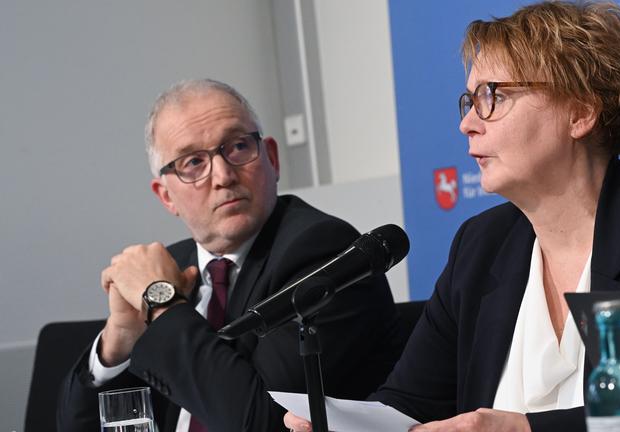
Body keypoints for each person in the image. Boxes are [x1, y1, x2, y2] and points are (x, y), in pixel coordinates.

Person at [285, 1, 620, 431]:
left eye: (492, 95)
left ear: (580, 113)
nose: (467, 123)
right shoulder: (481, 245)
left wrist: (527, 430)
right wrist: (347, 426)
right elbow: (409, 403)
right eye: (469, 100)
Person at [57, 79, 403, 431]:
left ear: (271, 157)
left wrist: (161, 305)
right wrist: (117, 344)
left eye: (237, 146)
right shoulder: (173, 267)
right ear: (166, 196)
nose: (223, 175)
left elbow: (258, 421)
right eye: (193, 162)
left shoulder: (324, 251)